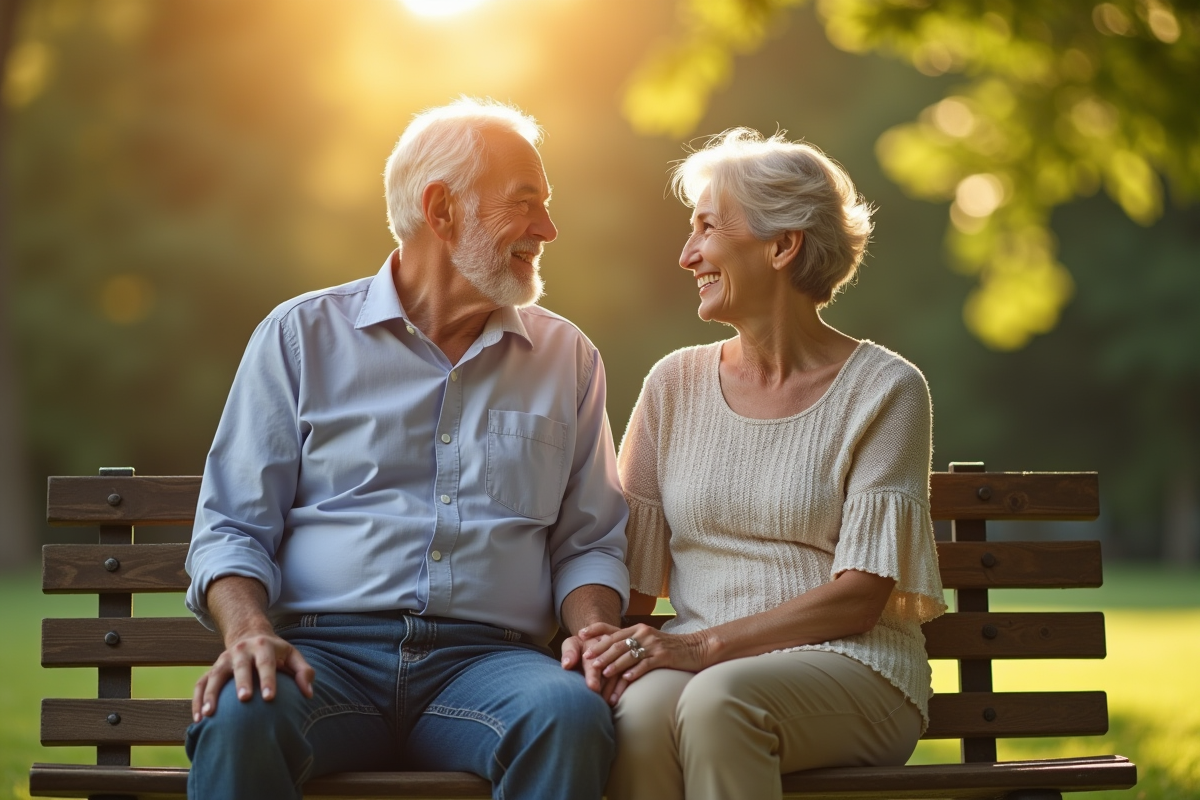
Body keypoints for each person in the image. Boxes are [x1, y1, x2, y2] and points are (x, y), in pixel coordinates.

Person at [183, 98, 630, 800]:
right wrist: (247, 633)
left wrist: (595, 632)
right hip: (323, 658)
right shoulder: (300, 336)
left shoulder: (566, 356)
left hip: (488, 666)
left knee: (567, 715)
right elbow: (233, 527)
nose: (547, 229)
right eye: (525, 204)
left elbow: (589, 542)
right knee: (243, 718)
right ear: (441, 209)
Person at [579, 128, 947, 800]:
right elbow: (631, 575)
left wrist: (699, 649)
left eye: (707, 228)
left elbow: (862, 596)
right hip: (701, 671)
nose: (687, 255)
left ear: (782, 245)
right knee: (637, 716)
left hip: (855, 669)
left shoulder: (887, 390)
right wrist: (601, 642)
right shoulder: (673, 385)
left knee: (720, 703)